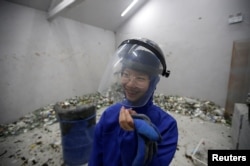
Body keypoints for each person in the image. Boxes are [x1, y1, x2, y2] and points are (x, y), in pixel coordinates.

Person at [89, 38, 178, 166]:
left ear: (153, 82)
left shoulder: (166, 126)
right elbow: (96, 156)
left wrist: (130, 139)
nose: (130, 84)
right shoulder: (109, 115)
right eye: (126, 74)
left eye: (140, 78)